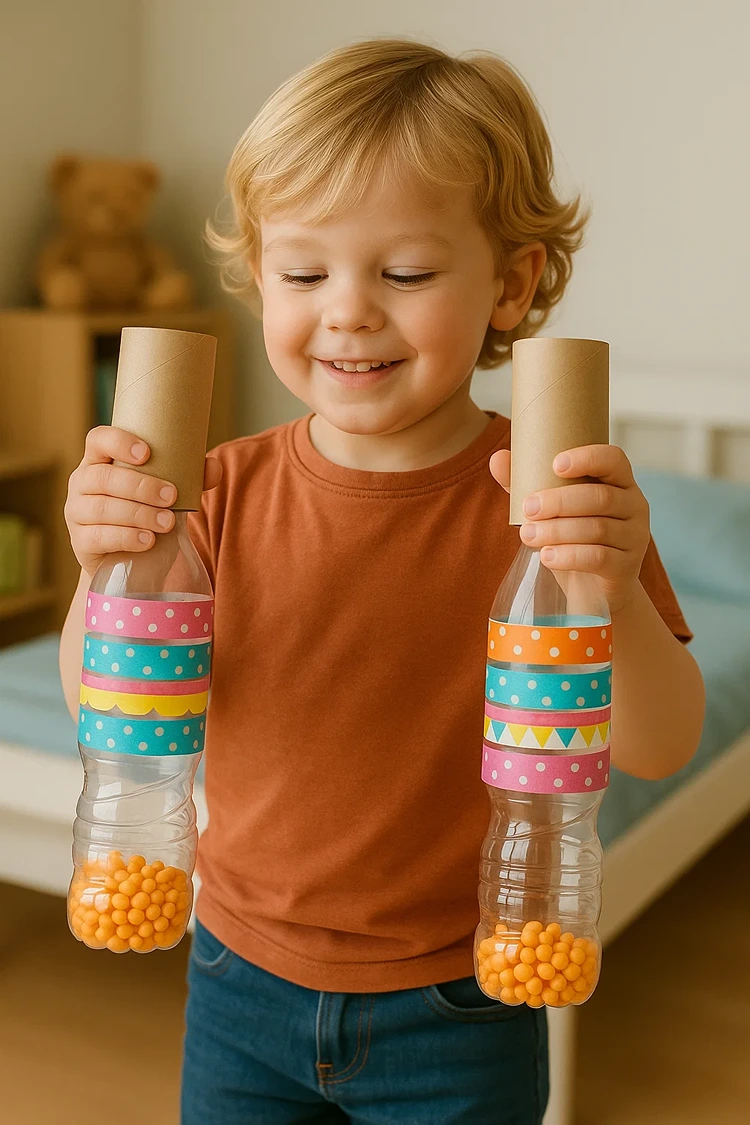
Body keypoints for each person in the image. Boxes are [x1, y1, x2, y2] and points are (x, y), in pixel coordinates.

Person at [59, 38, 705, 1125]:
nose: (348, 311)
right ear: (261, 277)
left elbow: (658, 741)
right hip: (236, 977)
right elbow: (102, 701)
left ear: (512, 283)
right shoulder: (216, 493)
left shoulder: (555, 508)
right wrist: (101, 571)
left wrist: (611, 580)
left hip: (461, 999)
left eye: (403, 273)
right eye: (305, 273)